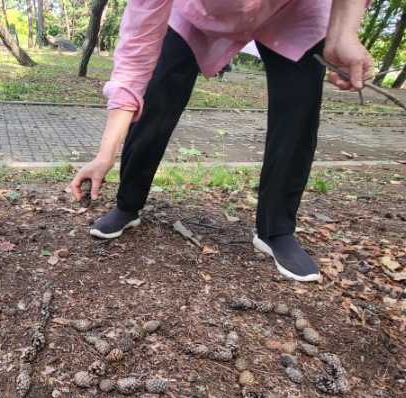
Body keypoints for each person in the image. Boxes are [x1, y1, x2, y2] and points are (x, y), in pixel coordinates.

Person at [70, 0, 373, 282]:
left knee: (300, 105)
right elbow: (133, 64)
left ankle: (276, 230)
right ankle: (127, 204)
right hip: (195, 14)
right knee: (159, 88)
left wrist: (342, 33)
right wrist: (104, 154)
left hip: (295, 11)